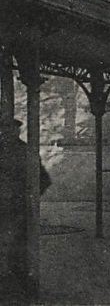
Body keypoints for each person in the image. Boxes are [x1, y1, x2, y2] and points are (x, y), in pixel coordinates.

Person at [0, 117, 51, 297]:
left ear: (16, 131)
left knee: (17, 250)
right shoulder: (22, 150)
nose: (5, 134)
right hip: (12, 207)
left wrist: (24, 197)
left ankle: (22, 290)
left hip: (16, 209)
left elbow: (43, 180)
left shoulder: (25, 151)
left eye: (9, 130)